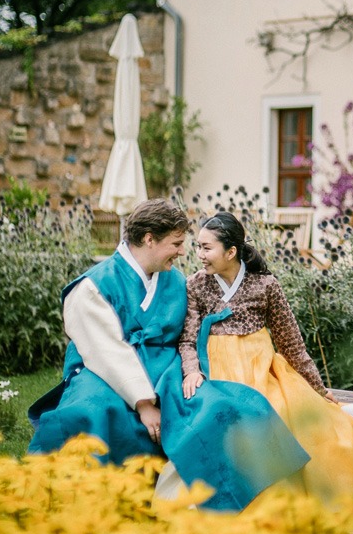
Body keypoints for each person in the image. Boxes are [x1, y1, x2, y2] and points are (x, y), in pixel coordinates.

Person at [27, 198, 309, 511]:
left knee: (226, 406)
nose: (183, 252)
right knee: (94, 410)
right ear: (149, 239)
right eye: (176, 243)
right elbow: (105, 352)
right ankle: (91, 502)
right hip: (102, 372)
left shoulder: (174, 281)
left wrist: (193, 370)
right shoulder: (94, 286)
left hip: (165, 370)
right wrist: (144, 403)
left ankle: (227, 501)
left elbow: (187, 336)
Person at [181, 211, 353, 506]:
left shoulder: (267, 286)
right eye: (197, 246)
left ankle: (300, 503)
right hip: (217, 371)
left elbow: (291, 344)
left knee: (296, 418)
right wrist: (191, 371)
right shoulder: (196, 284)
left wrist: (318, 388)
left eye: (206, 247)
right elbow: (187, 339)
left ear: (230, 252)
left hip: (260, 368)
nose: (199, 254)